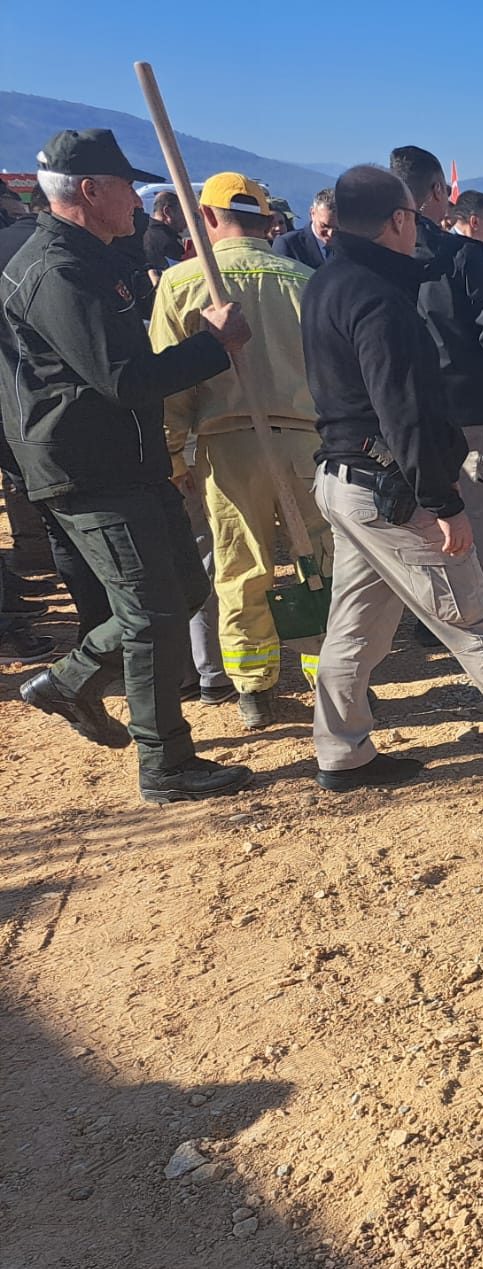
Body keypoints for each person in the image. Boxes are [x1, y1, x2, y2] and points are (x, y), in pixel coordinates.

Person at [2, 128, 258, 803]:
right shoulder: (57, 271)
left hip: (129, 457)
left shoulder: (98, 259)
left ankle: (67, 682)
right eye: (125, 188)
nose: (138, 203)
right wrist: (215, 345)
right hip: (86, 465)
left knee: (183, 592)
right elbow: (122, 378)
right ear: (89, 191)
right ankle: (166, 764)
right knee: (151, 612)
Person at [300, 165, 483, 791]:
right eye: (416, 216)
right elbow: (403, 411)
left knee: (354, 624)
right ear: (398, 220)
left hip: (344, 480)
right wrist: (442, 502)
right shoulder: (378, 298)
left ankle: (341, 751)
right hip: (391, 490)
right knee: (473, 621)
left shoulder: (328, 282)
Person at [149, 172, 328, 730]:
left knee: (239, 566)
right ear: (269, 221)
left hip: (226, 446)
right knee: (318, 564)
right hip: (306, 440)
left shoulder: (181, 283)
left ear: (205, 218)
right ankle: (331, 680)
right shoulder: (304, 278)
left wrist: (172, 457)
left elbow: (167, 386)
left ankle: (253, 690)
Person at [388, 147, 483, 634]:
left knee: (417, 513)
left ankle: (426, 615)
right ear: (438, 193)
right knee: (478, 511)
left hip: (402, 409)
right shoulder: (460, 257)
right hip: (469, 405)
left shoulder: (375, 258)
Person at [275, 187, 333, 268]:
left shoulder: (348, 246)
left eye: (337, 227)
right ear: (312, 213)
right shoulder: (288, 244)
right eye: (324, 226)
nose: (330, 233)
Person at [141, 189, 185, 273]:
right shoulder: (168, 241)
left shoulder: (142, 232)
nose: (187, 219)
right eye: (183, 213)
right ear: (168, 212)